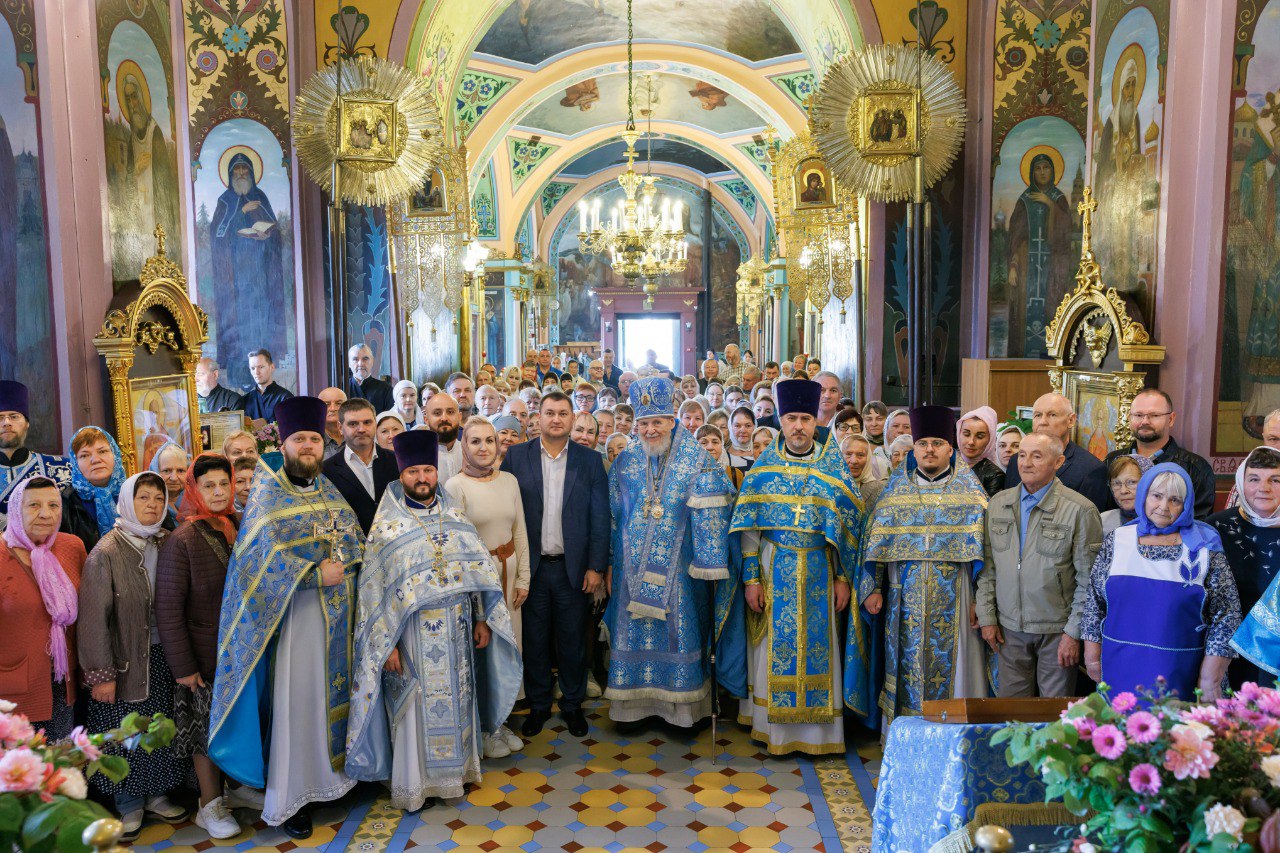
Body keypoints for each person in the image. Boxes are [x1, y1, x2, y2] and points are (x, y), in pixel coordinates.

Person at [209, 397, 363, 837]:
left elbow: (352, 540)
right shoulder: (267, 491)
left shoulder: (328, 489)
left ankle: (335, 783)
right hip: (294, 624)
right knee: (298, 707)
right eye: (301, 439)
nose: (309, 446)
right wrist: (314, 574)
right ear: (285, 442)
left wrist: (348, 565)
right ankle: (293, 798)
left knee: (334, 699)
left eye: (315, 438)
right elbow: (256, 563)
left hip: (338, 620)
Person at [346, 430, 522, 809]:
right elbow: (374, 593)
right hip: (410, 636)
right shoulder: (387, 527)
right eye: (414, 472)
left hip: (457, 628)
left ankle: (456, 776)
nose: (422, 478)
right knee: (416, 708)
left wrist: (480, 617)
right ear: (401, 474)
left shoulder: (454, 515)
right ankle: (417, 784)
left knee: (458, 701)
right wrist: (387, 644)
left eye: (428, 470)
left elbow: (474, 572)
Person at [731, 379, 861, 753]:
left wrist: (841, 577)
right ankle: (775, 732)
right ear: (781, 421)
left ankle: (820, 735)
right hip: (775, 567)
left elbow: (845, 530)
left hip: (820, 568)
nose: (799, 426)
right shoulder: (762, 469)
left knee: (822, 648)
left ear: (815, 421)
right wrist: (752, 579)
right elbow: (750, 531)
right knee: (772, 647)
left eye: (805, 418)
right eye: (791, 418)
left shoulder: (832, 468)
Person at [605, 378, 740, 733]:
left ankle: (681, 712)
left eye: (658, 422)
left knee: (679, 633)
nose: (650, 430)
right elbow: (613, 513)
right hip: (631, 572)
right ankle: (631, 709)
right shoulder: (626, 461)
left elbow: (721, 500)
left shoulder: (697, 459)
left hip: (679, 573)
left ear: (671, 421)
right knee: (632, 634)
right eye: (644, 423)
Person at [863, 406, 990, 727]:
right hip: (903, 601)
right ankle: (904, 733)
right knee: (905, 663)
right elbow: (875, 545)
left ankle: (953, 734)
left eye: (937, 443)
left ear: (951, 448)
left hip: (958, 600)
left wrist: (980, 602)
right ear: (914, 448)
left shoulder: (973, 497)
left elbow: (985, 556)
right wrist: (873, 587)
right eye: (923, 444)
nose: (929, 450)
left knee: (958, 665)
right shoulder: (893, 495)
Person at [155, 454, 257, 838]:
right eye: (207, 486)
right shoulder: (182, 539)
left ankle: (237, 789)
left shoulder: (237, 525)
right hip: (202, 653)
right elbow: (168, 608)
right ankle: (209, 804)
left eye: (223, 484)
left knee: (235, 723)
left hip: (240, 650)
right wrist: (183, 666)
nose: (217, 492)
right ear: (194, 490)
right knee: (203, 730)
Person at [80, 472, 187, 836]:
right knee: (124, 732)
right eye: (144, 498)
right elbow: (93, 620)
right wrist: (101, 674)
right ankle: (128, 802)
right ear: (128, 500)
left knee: (158, 725)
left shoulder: (168, 541)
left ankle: (157, 795)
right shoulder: (105, 552)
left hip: (162, 655)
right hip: (123, 661)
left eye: (158, 498)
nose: (153, 505)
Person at [500, 390, 609, 739]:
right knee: (534, 640)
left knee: (573, 640)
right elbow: (507, 512)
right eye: (550, 413)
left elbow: (600, 519)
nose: (557, 419)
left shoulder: (589, 461)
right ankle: (540, 705)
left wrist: (595, 566)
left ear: (573, 419)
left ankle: (573, 705)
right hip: (531, 568)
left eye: (564, 413)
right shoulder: (517, 457)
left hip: (572, 568)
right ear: (538, 418)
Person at [1081, 464, 1240, 700]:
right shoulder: (1118, 540)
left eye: (1175, 500)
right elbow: (1094, 601)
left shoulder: (1204, 548)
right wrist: (1092, 655)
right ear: (1144, 495)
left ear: (1186, 505)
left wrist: (1210, 677)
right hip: (1120, 665)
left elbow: (1227, 615)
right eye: (1156, 496)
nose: (1164, 507)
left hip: (1184, 671)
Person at [976, 433, 1103, 698]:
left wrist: (1072, 633)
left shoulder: (1080, 510)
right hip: (1008, 629)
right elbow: (989, 568)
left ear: (1057, 462)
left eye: (1037, 456)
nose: (1026, 463)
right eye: (1022, 455)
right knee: (1011, 716)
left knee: (1054, 718)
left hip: (1056, 631)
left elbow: (1088, 581)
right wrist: (987, 617)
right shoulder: (999, 504)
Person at [444, 417, 530, 756]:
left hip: (509, 579)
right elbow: (457, 546)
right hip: (479, 582)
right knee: (484, 651)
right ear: (465, 446)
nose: (484, 448)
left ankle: (501, 719)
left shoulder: (509, 480)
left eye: (490, 441)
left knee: (509, 649)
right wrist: (475, 594)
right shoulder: (455, 486)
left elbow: (520, 531)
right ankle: (483, 727)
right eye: (475, 441)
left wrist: (523, 577)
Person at [1, 477, 85, 739]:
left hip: (63, 686)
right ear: (16, 510)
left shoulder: (72, 547)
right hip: (11, 692)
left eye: (53, 505)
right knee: (19, 774)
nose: (46, 514)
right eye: (34, 505)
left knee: (59, 770)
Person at [1209, 447, 1280, 688]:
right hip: (1224, 650)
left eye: (1275, 480)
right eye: (1254, 479)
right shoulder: (1215, 527)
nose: (1264, 488)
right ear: (1241, 481)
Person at [1102, 389, 1216, 519]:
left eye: (1154, 415)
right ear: (1129, 418)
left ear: (1171, 419)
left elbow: (1199, 524)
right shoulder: (1111, 461)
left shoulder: (1195, 468)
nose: (1145, 421)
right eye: (1138, 415)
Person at [1004, 393, 1109, 512]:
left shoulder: (1091, 469)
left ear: (1071, 420)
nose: (1043, 422)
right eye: (1037, 415)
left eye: (1052, 415)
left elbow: (1088, 522)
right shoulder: (1015, 461)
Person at [322, 399, 400, 535]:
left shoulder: (397, 461)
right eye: (353, 424)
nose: (361, 429)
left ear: (375, 424)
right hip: (352, 547)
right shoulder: (327, 470)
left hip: (393, 544)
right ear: (340, 428)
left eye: (367, 422)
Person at [0, 380, 72, 518]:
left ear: (27, 423)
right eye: (0, 418)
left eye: (14, 416)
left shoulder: (63, 469)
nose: (7, 423)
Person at [60, 427, 127, 553]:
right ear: (75, 462)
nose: (95, 460)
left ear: (115, 454)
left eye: (102, 452)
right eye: (84, 455)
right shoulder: (65, 502)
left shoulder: (136, 492)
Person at [957, 406, 1005, 497]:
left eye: (979, 437)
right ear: (958, 433)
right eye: (966, 434)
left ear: (990, 440)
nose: (971, 442)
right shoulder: (946, 462)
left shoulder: (994, 475)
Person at [236, 349, 293, 423]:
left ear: (272, 367)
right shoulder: (245, 400)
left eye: (261, 367)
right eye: (253, 368)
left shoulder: (285, 398)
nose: (256, 372)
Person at [1101, 454, 1152, 535]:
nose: (1123, 491)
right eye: (1116, 483)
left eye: (1131, 482)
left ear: (1150, 484)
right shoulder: (1103, 522)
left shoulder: (1163, 521)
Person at [424, 392, 464, 483]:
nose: (444, 418)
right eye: (437, 413)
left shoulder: (471, 453)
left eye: (450, 412)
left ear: (459, 417)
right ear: (426, 420)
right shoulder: (418, 457)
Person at [347, 344, 394, 413]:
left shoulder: (386, 389)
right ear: (349, 363)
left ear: (372, 361)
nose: (360, 364)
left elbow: (389, 418)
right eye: (355, 359)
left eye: (365, 359)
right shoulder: (341, 388)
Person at [149, 441, 189, 521]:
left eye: (180, 471)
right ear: (156, 471)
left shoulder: (198, 501)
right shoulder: (148, 506)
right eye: (167, 471)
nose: (173, 478)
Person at [841, 433, 884, 508]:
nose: (854, 461)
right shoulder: (829, 487)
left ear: (868, 458)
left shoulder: (879, 490)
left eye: (860, 455)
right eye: (848, 454)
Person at [696, 424, 743, 490]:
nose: (710, 447)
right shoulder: (687, 476)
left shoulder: (735, 474)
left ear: (722, 445)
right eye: (703, 443)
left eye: (715, 442)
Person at [318, 386, 348, 459]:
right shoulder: (313, 440)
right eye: (327, 404)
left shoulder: (355, 436)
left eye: (338, 403)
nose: (333, 409)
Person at [728, 406, 756, 472]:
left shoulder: (761, 452)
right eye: (737, 426)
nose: (743, 430)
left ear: (755, 427)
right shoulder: (723, 455)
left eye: (748, 425)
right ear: (730, 427)